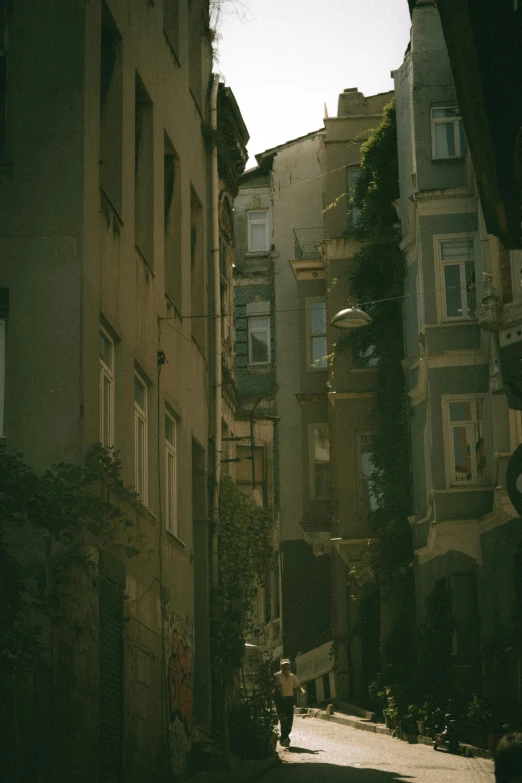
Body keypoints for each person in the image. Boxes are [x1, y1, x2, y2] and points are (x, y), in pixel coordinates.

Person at [273, 658, 305, 748]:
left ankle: (284, 737)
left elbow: (298, 686)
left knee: (290, 720)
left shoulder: (292, 676)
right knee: (283, 719)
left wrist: (302, 691)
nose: (286, 668)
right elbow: (272, 688)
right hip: (280, 700)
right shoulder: (276, 676)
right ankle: (284, 738)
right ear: (281, 666)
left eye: (287, 666)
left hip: (290, 700)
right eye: (284, 666)